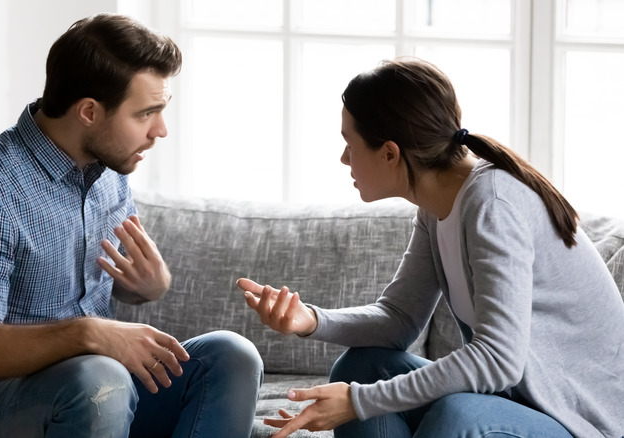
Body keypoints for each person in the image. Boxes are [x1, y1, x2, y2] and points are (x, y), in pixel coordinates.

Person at [237, 58, 624, 438]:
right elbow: (399, 319)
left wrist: (359, 402)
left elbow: (498, 360)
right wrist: (312, 320)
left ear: (390, 152)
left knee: (459, 415)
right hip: (518, 403)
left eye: (349, 145)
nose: (343, 159)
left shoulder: (493, 204)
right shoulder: (435, 207)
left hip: (580, 423)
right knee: (361, 366)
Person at [0, 13, 262, 438]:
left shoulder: (109, 169)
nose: (160, 130)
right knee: (101, 379)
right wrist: (91, 334)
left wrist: (145, 286)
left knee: (232, 356)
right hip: (0, 404)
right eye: (146, 114)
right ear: (89, 111)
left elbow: (82, 285)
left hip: (106, 394)